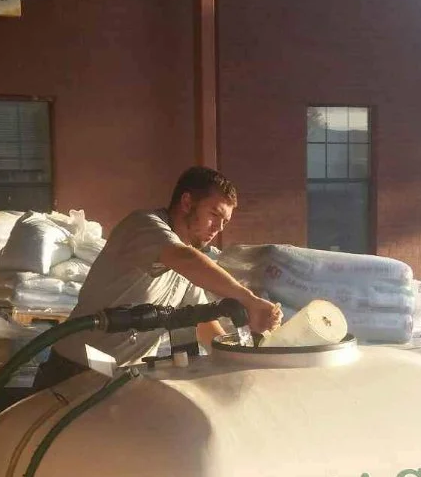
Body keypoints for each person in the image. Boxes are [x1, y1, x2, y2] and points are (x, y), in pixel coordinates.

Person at [32, 166, 282, 390]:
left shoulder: (187, 266)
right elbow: (182, 258)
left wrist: (239, 360)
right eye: (214, 215)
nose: (218, 228)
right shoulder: (144, 227)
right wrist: (248, 299)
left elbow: (204, 326)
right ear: (187, 202)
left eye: (225, 221)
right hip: (75, 370)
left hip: (117, 376)